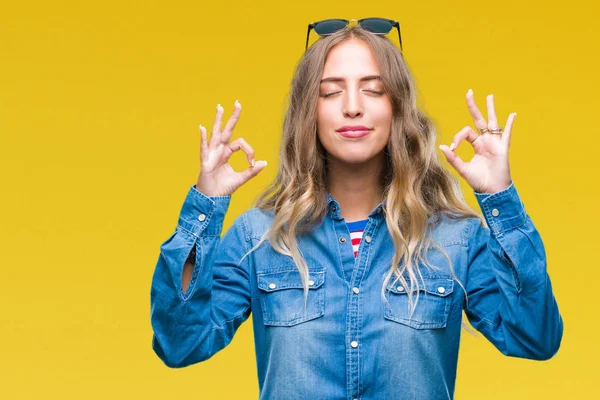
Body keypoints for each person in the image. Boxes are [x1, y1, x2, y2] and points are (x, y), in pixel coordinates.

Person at [149, 19, 563, 400]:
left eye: (373, 89)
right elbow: (180, 343)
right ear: (307, 111)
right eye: (330, 91)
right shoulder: (258, 236)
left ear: (397, 107)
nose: (352, 107)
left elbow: (534, 337)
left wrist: (499, 197)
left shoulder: (455, 238)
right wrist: (205, 206)